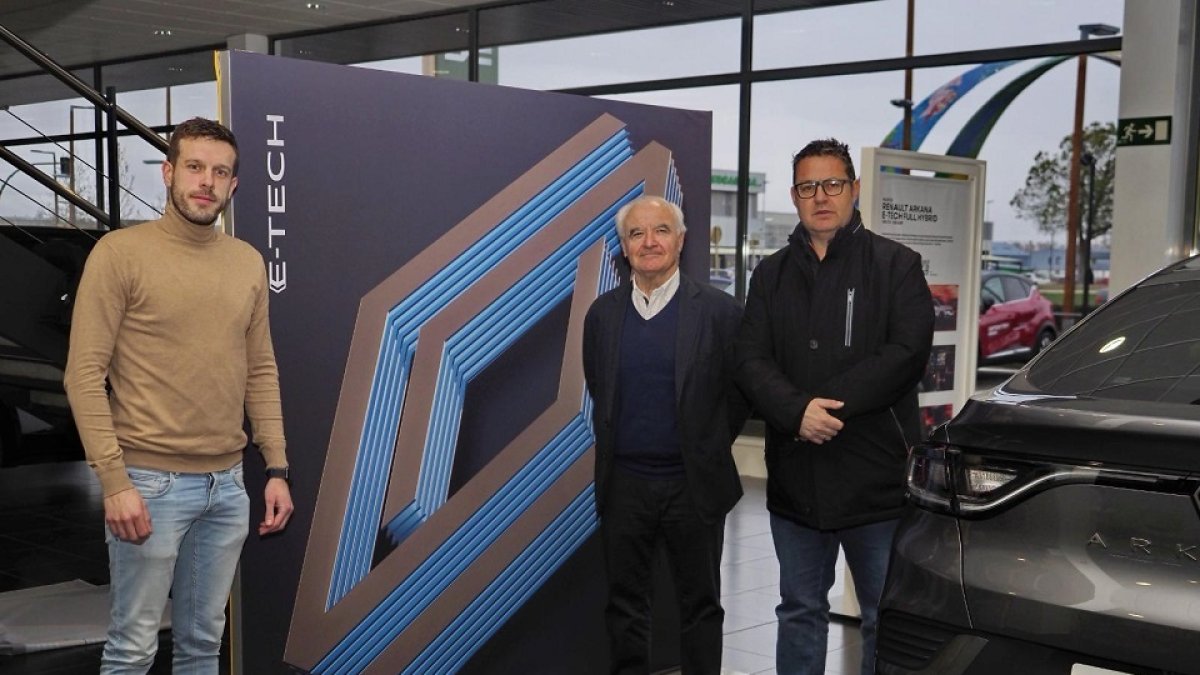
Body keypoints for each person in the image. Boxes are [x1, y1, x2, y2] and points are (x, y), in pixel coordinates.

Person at [64, 117, 294, 674]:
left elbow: (259, 370)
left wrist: (278, 466)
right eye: (194, 167)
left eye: (220, 172)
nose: (206, 182)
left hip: (228, 484)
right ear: (168, 173)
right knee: (133, 649)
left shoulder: (246, 262)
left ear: (234, 185)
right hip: (148, 485)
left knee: (203, 648)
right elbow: (83, 374)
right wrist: (114, 483)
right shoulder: (120, 254)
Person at [735, 138, 933, 675]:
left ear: (854, 189)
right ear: (795, 197)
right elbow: (750, 360)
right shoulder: (770, 275)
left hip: (875, 481)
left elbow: (906, 355)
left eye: (832, 184)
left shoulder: (898, 266)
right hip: (796, 479)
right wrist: (796, 412)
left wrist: (829, 411)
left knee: (880, 615)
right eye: (807, 187)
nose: (821, 196)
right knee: (799, 610)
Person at [582, 194, 747, 675]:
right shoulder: (602, 316)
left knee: (700, 606)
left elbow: (737, 397)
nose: (649, 242)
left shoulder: (720, 313)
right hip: (625, 485)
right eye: (636, 233)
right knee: (626, 604)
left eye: (660, 231)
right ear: (623, 246)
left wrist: (705, 443)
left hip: (693, 485)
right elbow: (601, 387)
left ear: (681, 239)